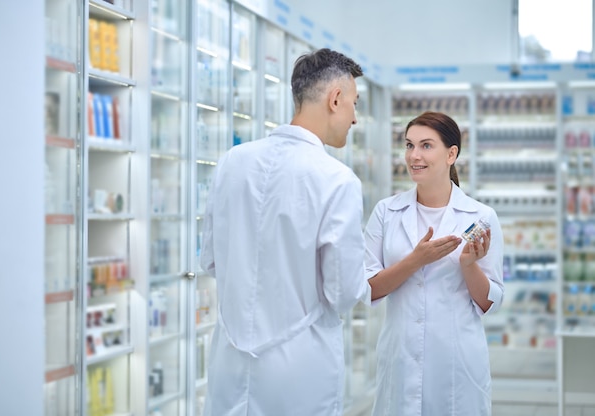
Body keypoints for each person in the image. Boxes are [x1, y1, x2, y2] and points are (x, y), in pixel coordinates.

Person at [200, 48, 372, 416]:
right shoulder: (336, 180)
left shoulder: (232, 162)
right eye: (354, 104)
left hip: (229, 362)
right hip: (300, 369)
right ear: (335, 99)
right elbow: (341, 292)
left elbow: (211, 260)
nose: (355, 117)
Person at [364, 111, 504, 416]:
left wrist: (469, 265)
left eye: (426, 146)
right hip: (400, 358)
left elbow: (489, 302)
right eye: (409, 145)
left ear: (451, 154)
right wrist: (416, 260)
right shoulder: (386, 212)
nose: (414, 155)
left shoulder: (480, 217)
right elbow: (368, 289)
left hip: (457, 363)